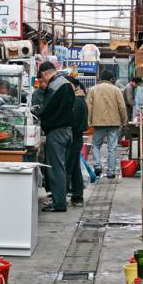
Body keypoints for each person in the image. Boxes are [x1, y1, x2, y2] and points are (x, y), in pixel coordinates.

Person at [32, 61, 75, 212]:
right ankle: (59, 201)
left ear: (44, 74)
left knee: (56, 169)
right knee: (60, 167)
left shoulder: (56, 85)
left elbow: (46, 109)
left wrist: (36, 112)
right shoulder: (65, 83)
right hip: (66, 131)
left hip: (57, 132)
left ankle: (59, 203)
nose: (43, 83)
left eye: (41, 79)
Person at [87, 70, 128, 178]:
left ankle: (97, 166)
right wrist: (124, 121)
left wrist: (88, 121)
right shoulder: (116, 90)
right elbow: (122, 107)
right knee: (112, 147)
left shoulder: (93, 90)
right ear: (111, 79)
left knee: (96, 145)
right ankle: (111, 172)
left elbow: (89, 107)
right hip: (114, 122)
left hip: (98, 122)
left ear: (100, 79)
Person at [65, 76, 89, 206]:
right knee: (74, 168)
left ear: (73, 85)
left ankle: (64, 196)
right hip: (76, 136)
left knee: (69, 168)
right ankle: (77, 196)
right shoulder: (79, 98)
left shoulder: (77, 100)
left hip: (74, 137)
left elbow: (74, 121)